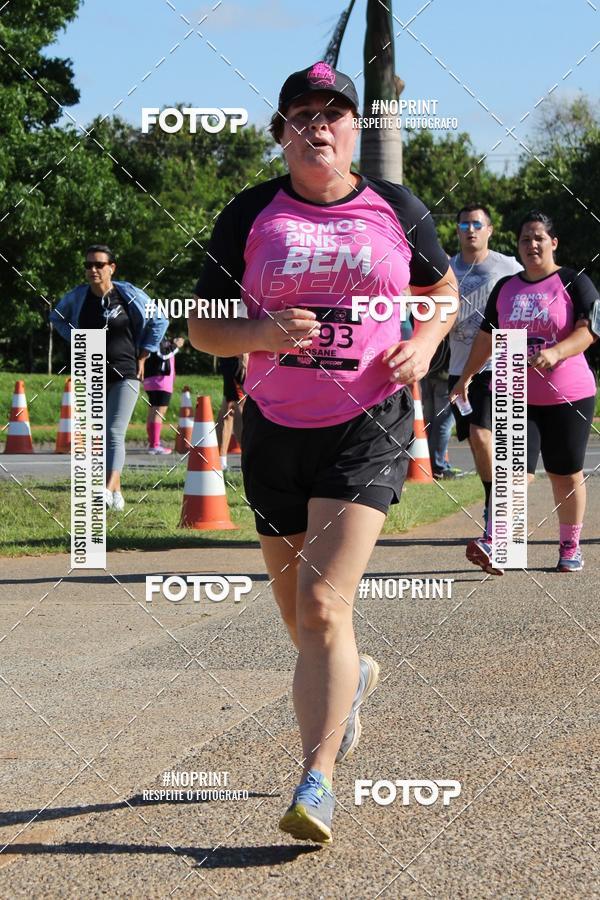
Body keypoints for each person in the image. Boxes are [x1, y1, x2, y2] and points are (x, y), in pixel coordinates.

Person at [189, 61, 458, 845]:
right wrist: (259, 336)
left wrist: (427, 340)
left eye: (333, 114)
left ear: (354, 132)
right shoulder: (248, 214)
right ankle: (355, 677)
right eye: (301, 115)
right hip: (274, 425)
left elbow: (441, 293)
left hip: (365, 425)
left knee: (320, 607)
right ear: (281, 135)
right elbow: (203, 328)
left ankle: (319, 779)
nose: (319, 127)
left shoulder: (397, 208)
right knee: (301, 621)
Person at [452, 211, 598, 574]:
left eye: (538, 238)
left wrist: (556, 352)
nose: (531, 245)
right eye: (524, 240)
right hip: (515, 388)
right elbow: (486, 337)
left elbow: (591, 330)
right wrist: (465, 377)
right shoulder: (507, 287)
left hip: (568, 392)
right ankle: (499, 544)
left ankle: (570, 545)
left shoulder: (573, 281)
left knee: (565, 473)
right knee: (513, 472)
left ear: (553, 243)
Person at [50, 244, 168, 510]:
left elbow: (160, 319)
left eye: (99, 265)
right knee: (97, 434)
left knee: (114, 431)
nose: (92, 269)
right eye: (88, 265)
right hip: (90, 369)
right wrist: (76, 339)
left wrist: (144, 353)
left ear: (111, 268)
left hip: (126, 371)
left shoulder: (127, 294)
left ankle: (104, 489)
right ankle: (116, 490)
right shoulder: (78, 297)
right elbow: (56, 318)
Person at [447, 205, 522, 526]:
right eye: (464, 224)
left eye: (477, 224)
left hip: (503, 363)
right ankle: (497, 502)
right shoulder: (446, 269)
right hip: (460, 367)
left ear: (490, 230)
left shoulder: (508, 267)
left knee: (487, 437)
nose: (470, 229)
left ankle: (498, 509)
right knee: (477, 442)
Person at [420, 337, 460, 479]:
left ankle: (431, 464)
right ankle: (439, 466)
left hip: (428, 373)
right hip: (445, 376)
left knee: (431, 421)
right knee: (444, 424)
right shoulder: (452, 317)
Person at [143, 336, 185, 454]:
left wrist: (171, 343)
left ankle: (153, 442)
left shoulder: (152, 333)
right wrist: (176, 345)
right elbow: (162, 354)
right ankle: (154, 445)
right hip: (161, 380)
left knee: (153, 411)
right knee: (159, 412)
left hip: (151, 379)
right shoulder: (158, 333)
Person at [215, 354, 247, 470]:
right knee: (234, 406)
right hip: (234, 356)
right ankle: (247, 458)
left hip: (232, 355)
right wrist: (244, 355)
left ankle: (220, 460)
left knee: (229, 407)